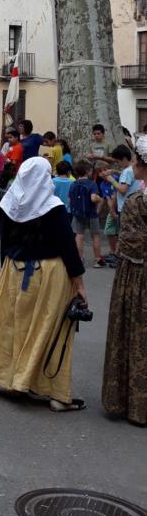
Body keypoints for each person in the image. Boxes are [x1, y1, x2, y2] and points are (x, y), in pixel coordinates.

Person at [0, 157, 88, 412]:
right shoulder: (53, 207)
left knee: (15, 325)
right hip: (48, 273)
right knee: (52, 328)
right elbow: (68, 247)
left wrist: (5, 273)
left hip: (14, 270)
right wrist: (79, 283)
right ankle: (55, 393)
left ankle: (15, 381)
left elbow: (5, 243)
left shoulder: (10, 203)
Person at [102, 134, 147, 425]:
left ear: (141, 164)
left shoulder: (135, 202)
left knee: (136, 335)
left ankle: (133, 404)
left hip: (138, 276)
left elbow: (129, 247)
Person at [67, 159, 104, 267]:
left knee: (79, 235)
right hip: (91, 213)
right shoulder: (92, 184)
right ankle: (97, 260)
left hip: (78, 213)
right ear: (87, 171)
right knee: (95, 235)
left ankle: (79, 259)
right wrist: (99, 199)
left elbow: (69, 199)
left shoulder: (73, 184)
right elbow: (93, 198)